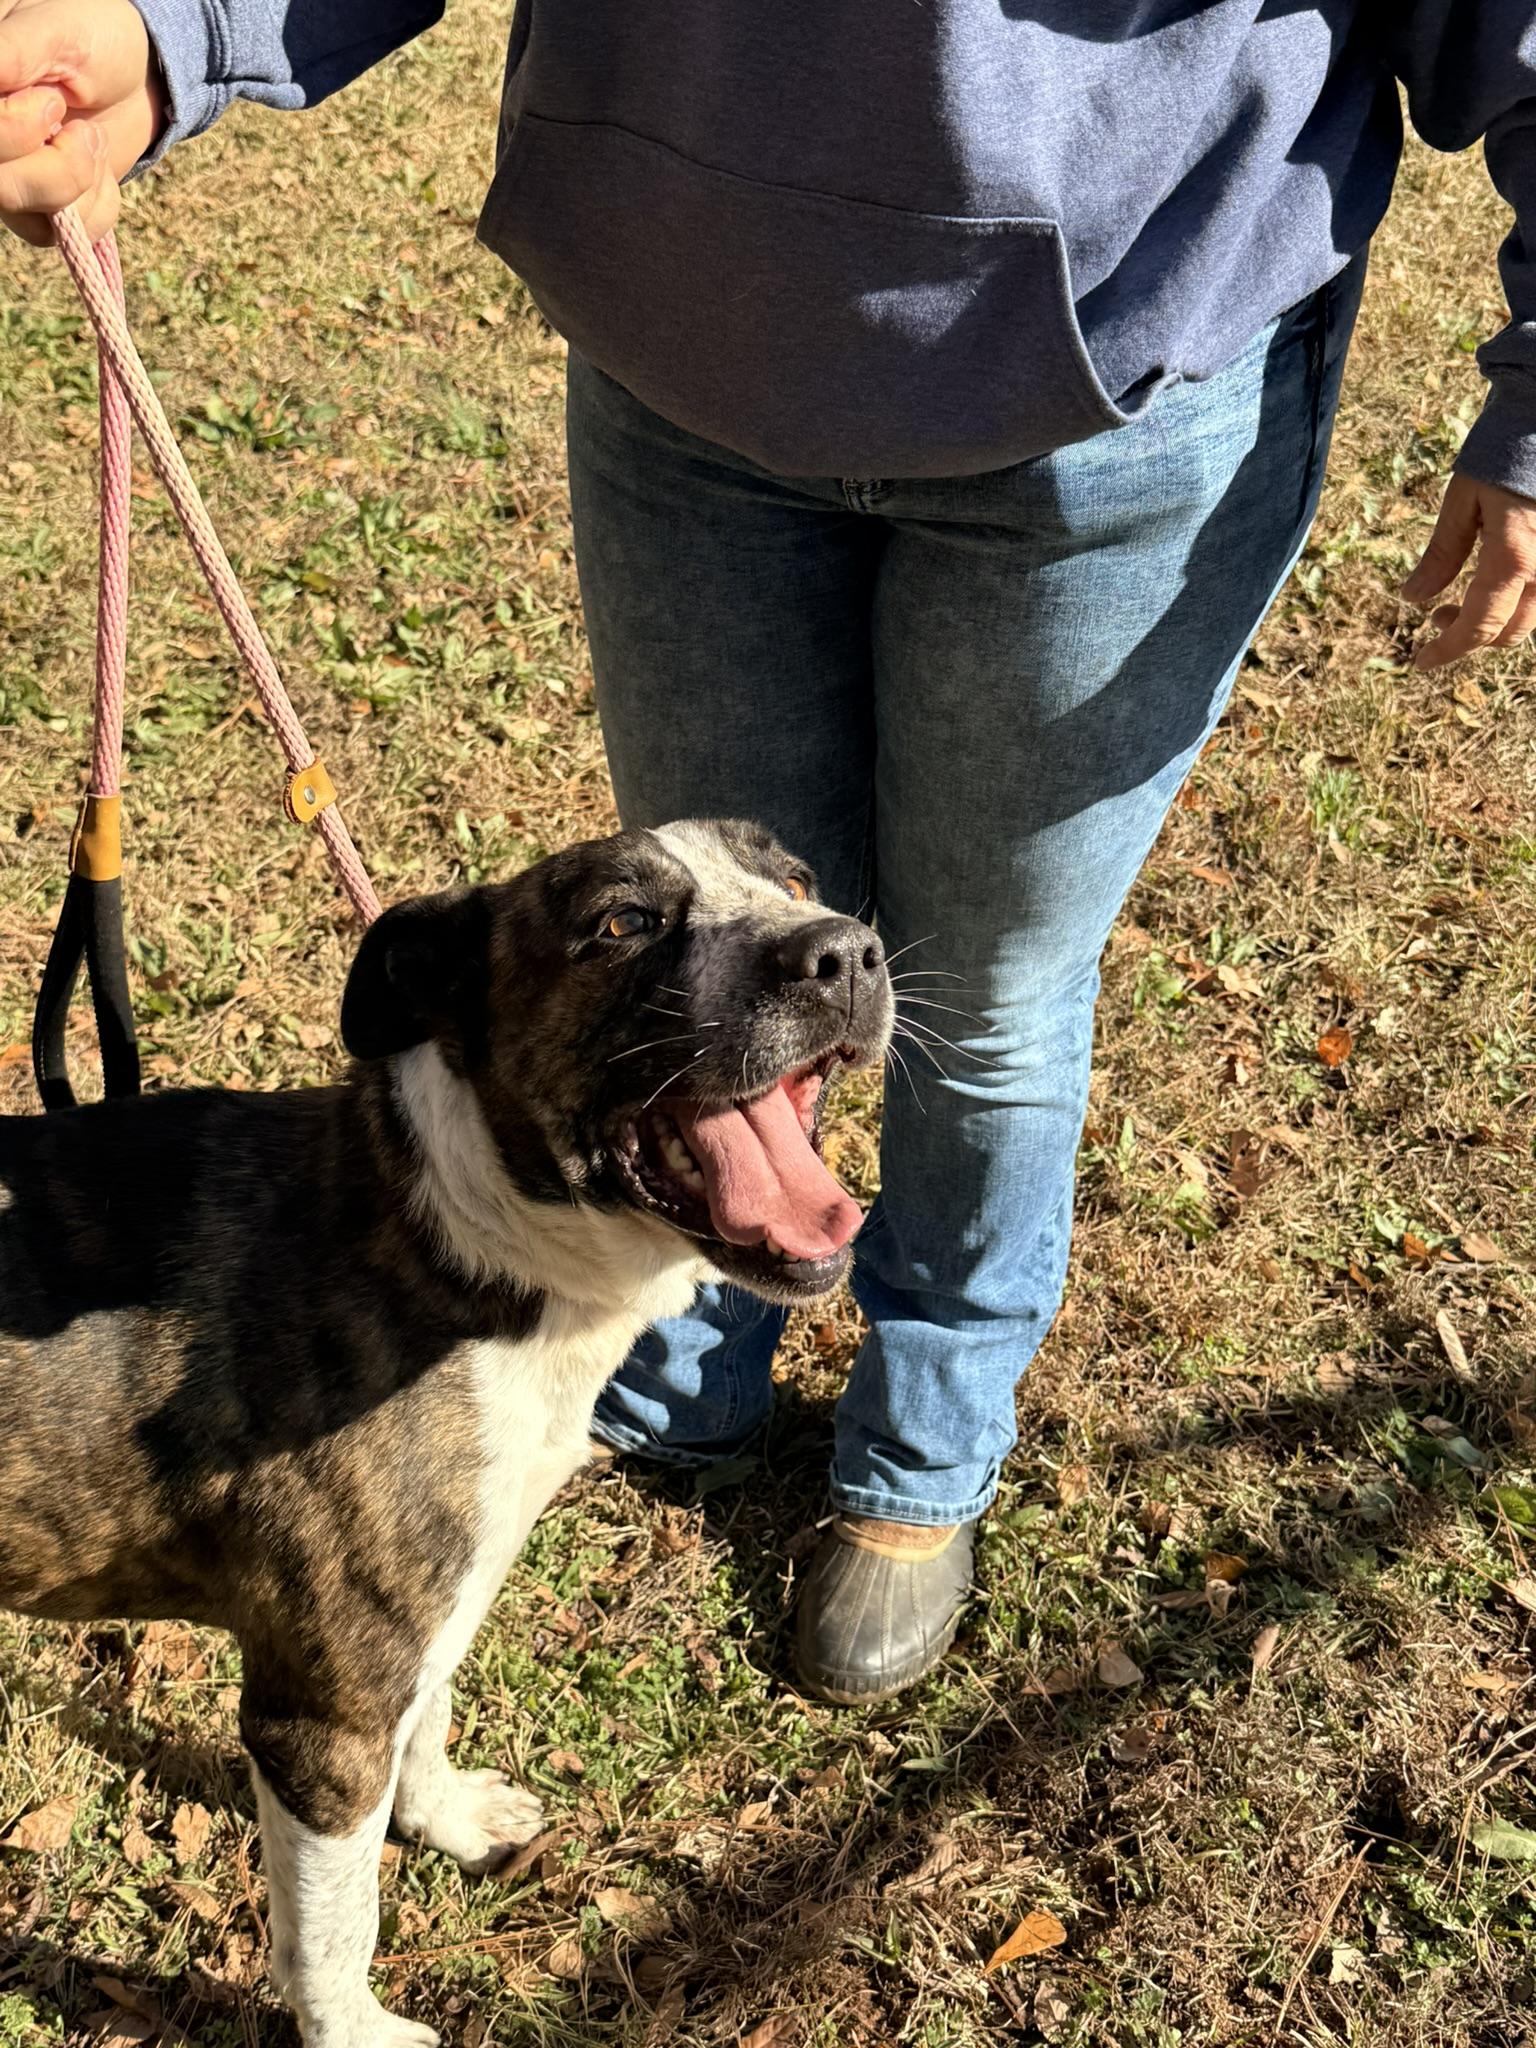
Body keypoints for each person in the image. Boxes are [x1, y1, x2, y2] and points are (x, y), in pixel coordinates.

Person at [4, 1, 1535, 1704]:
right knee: (698, 983)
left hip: (1122, 371)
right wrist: (178, 26)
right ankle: (682, 1346)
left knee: (975, 992)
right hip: (688, 358)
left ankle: (923, 1448)